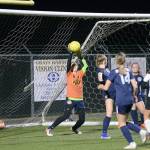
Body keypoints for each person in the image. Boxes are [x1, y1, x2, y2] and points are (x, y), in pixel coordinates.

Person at [98, 52, 147, 149]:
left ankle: (132, 143)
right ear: (124, 61)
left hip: (121, 101)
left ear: (116, 61)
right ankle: (141, 132)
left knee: (121, 124)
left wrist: (100, 86)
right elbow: (135, 85)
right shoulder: (128, 71)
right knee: (124, 121)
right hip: (130, 100)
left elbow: (106, 87)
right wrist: (134, 96)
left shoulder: (113, 72)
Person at [46, 52, 88, 136]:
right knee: (65, 116)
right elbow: (68, 64)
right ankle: (49, 128)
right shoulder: (69, 74)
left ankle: (74, 128)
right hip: (70, 99)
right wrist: (71, 54)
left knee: (82, 119)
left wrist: (81, 57)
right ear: (71, 67)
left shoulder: (80, 73)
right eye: (73, 65)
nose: (74, 65)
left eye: (75, 64)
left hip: (80, 100)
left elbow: (86, 65)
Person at [96, 54, 115, 139]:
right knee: (109, 113)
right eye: (106, 59)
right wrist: (101, 86)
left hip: (114, 92)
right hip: (108, 93)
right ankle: (104, 134)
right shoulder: (100, 71)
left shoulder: (106, 69)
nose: (107, 61)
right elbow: (100, 83)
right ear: (103, 60)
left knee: (120, 112)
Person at [143, 69, 150, 134]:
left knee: (146, 115)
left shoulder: (148, 75)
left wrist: (146, 77)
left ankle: (149, 131)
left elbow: (143, 86)